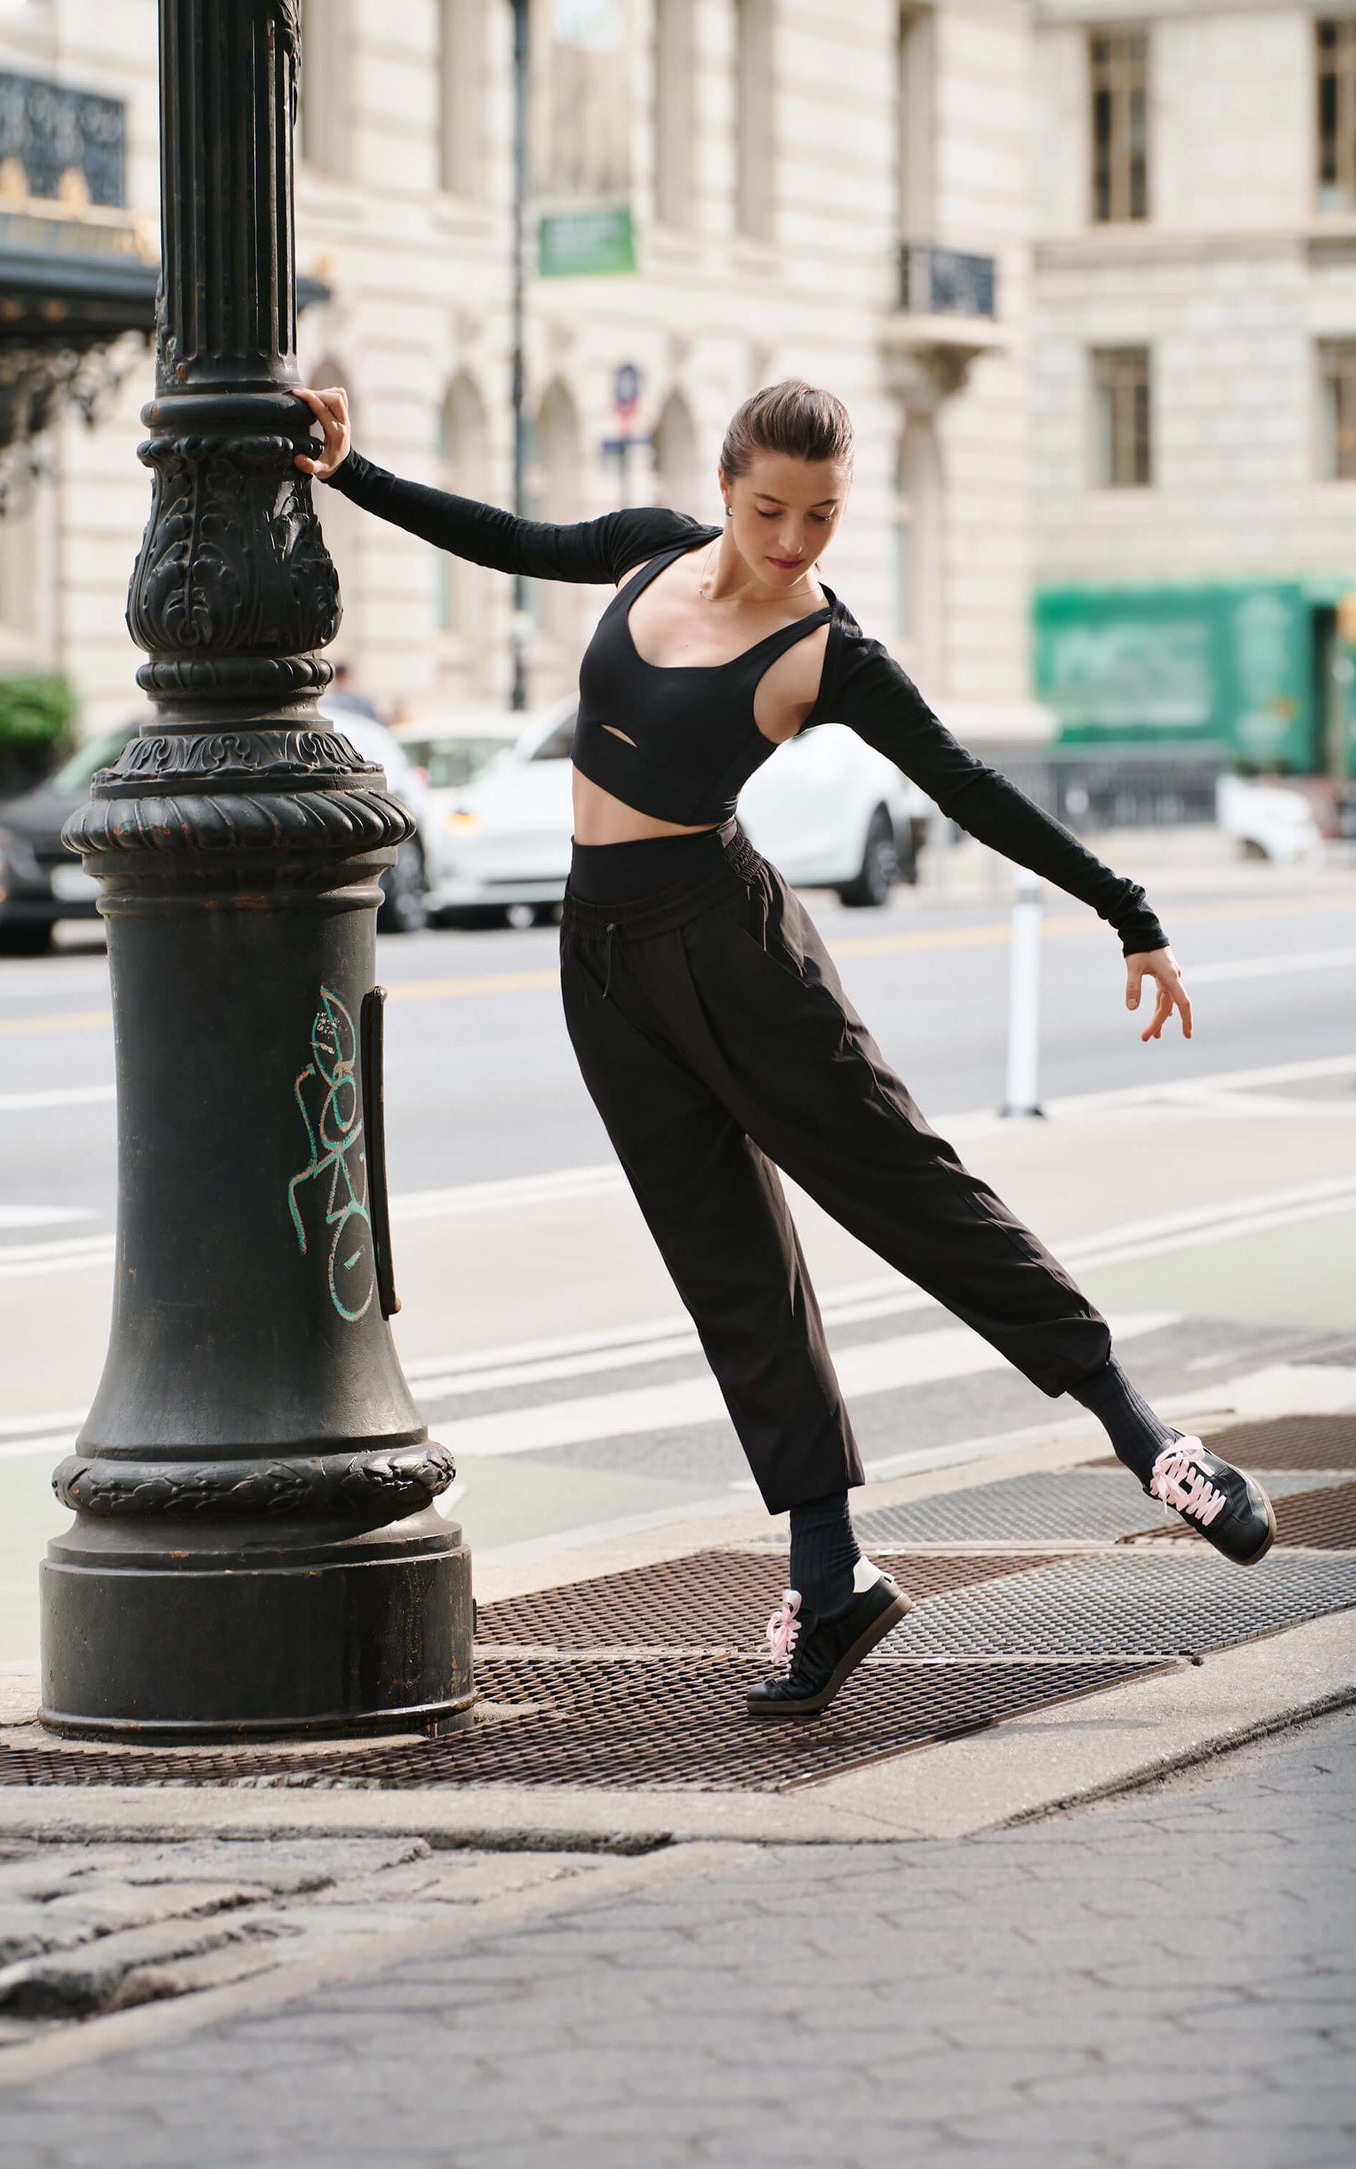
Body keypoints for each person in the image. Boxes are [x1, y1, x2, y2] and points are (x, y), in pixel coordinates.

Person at [292, 378, 1277, 1719]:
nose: (793, 540)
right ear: (722, 487)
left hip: (731, 945)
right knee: (726, 1261)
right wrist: (353, 475)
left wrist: (1130, 913)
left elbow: (968, 788)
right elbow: (511, 539)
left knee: (905, 1186)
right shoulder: (647, 548)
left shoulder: (826, 651)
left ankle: (1145, 1437)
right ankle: (830, 1577)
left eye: (820, 515)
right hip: (601, 955)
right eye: (768, 509)